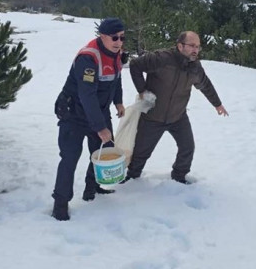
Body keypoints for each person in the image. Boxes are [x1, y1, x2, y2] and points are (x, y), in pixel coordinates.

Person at [122, 31, 228, 185]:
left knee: (187, 148)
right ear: (180, 46)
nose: (195, 50)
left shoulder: (195, 67)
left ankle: (179, 177)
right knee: (141, 151)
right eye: (192, 46)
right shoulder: (161, 59)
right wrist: (142, 90)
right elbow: (135, 65)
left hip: (178, 116)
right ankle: (132, 178)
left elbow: (205, 85)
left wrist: (217, 104)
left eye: (198, 47)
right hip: (153, 116)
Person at [51, 17, 127, 221]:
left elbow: (116, 79)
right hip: (74, 113)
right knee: (70, 157)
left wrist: (118, 102)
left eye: (122, 37)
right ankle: (60, 203)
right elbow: (87, 96)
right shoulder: (88, 58)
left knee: (102, 151)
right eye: (114, 37)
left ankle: (92, 188)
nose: (119, 42)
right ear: (102, 36)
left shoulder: (116, 53)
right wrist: (100, 127)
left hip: (98, 111)